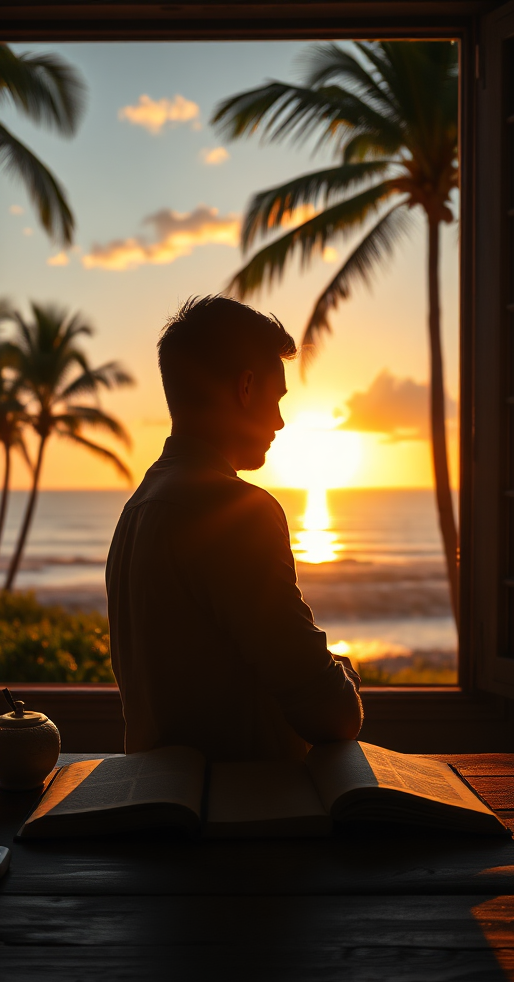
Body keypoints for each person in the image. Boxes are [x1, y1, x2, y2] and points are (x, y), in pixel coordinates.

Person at [106, 295, 363, 761]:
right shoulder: (238, 511)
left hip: (158, 796)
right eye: (277, 398)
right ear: (245, 387)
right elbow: (330, 712)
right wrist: (343, 675)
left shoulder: (138, 508)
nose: (280, 422)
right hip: (242, 800)